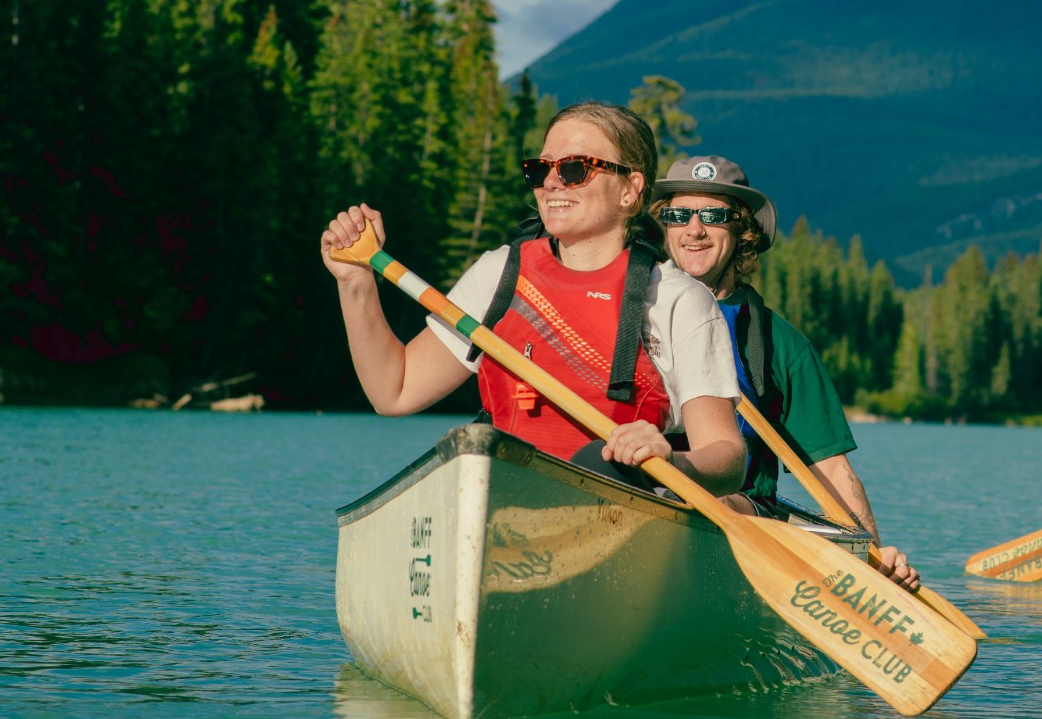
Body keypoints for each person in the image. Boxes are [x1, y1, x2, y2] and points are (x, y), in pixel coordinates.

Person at [320, 102, 749, 493]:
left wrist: (668, 461)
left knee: (595, 462)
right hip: (501, 493)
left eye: (575, 168)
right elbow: (394, 391)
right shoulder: (499, 274)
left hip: (619, 507)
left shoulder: (678, 300)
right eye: (540, 169)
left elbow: (726, 457)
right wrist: (355, 282)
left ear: (630, 189)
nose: (552, 183)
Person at [649, 154, 922, 592]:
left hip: (737, 510)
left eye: (714, 216)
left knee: (705, 502)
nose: (694, 230)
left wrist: (872, 566)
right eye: (679, 216)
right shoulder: (628, 314)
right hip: (639, 489)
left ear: (742, 230)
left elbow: (833, 472)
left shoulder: (782, 346)